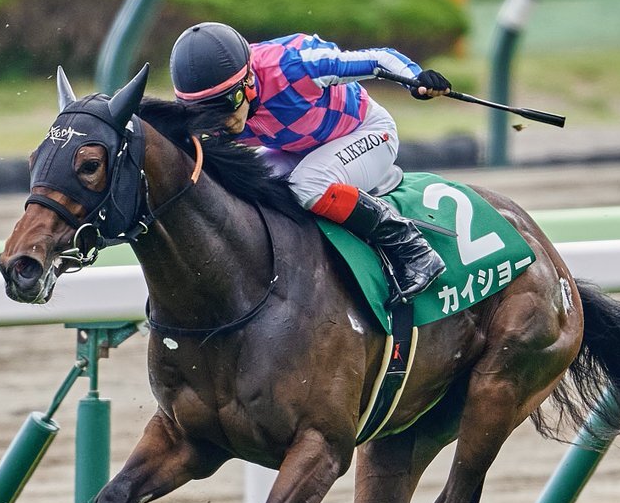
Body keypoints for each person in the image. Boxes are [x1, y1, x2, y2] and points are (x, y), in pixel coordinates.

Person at [169, 22, 452, 304]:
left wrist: (415, 78)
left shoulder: (296, 65)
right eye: (209, 111)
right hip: (297, 150)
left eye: (229, 103)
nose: (225, 122)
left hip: (368, 133)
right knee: (244, 189)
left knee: (307, 185)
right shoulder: (204, 113)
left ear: (249, 80)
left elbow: (380, 58)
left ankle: (413, 248)